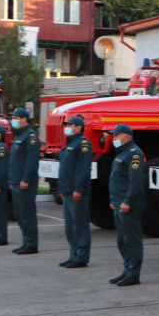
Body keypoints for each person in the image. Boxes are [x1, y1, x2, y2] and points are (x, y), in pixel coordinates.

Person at [107, 123, 146, 286]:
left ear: (127, 137)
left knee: (131, 240)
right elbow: (117, 179)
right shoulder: (121, 153)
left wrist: (127, 201)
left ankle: (134, 274)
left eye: (117, 135)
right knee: (122, 240)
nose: (114, 138)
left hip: (128, 205)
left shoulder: (134, 154)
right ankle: (127, 269)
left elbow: (135, 182)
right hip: (118, 203)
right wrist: (113, 200)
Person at [53, 113, 92, 268]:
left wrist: (78, 189)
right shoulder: (69, 144)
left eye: (70, 125)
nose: (67, 128)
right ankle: (73, 254)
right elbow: (65, 169)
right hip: (67, 189)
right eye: (67, 125)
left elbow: (82, 170)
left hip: (76, 191)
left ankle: (81, 257)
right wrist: (62, 189)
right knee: (70, 225)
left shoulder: (83, 144)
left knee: (80, 225)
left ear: (78, 127)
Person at [8, 107, 40, 254]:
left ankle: (32, 244)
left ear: (24, 119)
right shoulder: (18, 135)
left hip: (25, 181)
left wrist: (25, 179)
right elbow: (15, 160)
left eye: (15, 118)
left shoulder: (30, 136)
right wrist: (12, 179)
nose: (13, 120)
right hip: (16, 180)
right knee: (20, 214)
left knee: (27, 213)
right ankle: (26, 241)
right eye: (12, 118)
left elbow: (31, 161)